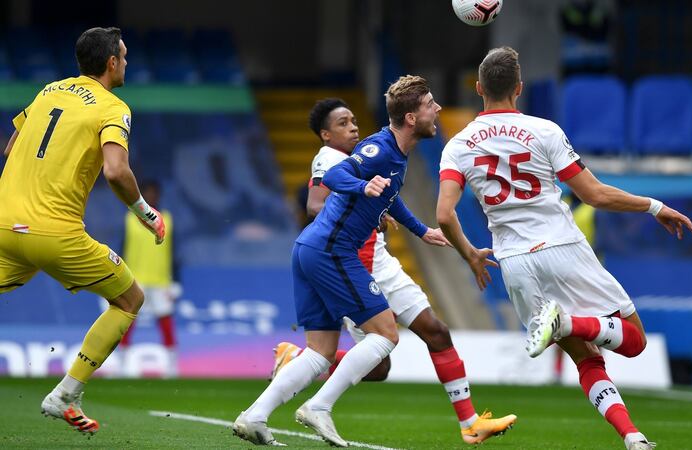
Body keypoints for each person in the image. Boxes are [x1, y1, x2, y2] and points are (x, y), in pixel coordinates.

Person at [436, 47, 692, 450]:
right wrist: (655, 206)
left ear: (478, 88)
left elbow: (444, 214)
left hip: (516, 262)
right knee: (634, 341)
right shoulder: (544, 130)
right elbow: (593, 194)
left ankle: (632, 437)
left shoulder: (459, 145)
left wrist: (470, 253)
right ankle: (570, 325)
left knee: (586, 360)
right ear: (519, 89)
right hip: (562, 247)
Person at [270, 97, 517, 444]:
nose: (353, 126)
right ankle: (300, 362)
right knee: (378, 368)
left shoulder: (375, 153)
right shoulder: (329, 159)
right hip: (354, 262)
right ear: (325, 135)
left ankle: (470, 422)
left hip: (382, 260)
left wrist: (414, 227)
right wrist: (360, 199)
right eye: (342, 124)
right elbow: (314, 206)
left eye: (353, 120)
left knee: (436, 331)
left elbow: (391, 195)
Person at [233, 76, 450, 447]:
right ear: (412, 118)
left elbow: (391, 196)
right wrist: (361, 186)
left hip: (309, 249)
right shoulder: (379, 149)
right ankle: (319, 407)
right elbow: (335, 174)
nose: (438, 109)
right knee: (385, 334)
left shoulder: (395, 155)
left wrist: (420, 230)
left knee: (321, 351)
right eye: (431, 103)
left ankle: (253, 417)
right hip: (333, 251)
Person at [0, 27, 165, 434]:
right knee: (129, 299)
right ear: (112, 63)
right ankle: (65, 394)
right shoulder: (114, 107)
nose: (125, 63)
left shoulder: (49, 91)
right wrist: (145, 213)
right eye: (123, 57)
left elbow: (10, 148)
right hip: (54, 235)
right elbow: (115, 170)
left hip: (3, 227)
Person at [118, 180, 179, 378]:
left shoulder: (167, 219)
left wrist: (177, 281)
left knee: (165, 321)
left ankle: (171, 367)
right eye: (148, 193)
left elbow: (175, 252)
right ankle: (123, 364)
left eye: (155, 193)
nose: (152, 197)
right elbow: (121, 249)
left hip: (161, 281)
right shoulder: (129, 219)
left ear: (159, 196)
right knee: (128, 320)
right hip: (135, 280)